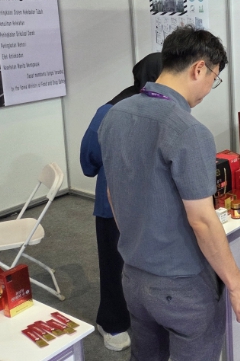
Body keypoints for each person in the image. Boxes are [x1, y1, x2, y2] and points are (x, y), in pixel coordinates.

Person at [99, 27, 240, 361]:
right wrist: (237, 284)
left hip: (133, 275)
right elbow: (201, 220)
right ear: (199, 69)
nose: (209, 89)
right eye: (214, 78)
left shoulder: (115, 115)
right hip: (182, 285)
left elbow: (114, 195)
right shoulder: (188, 130)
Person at [80, 53, 163, 352]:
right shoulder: (111, 111)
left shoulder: (169, 109)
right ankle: (112, 321)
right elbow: (89, 159)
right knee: (116, 264)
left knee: (148, 265)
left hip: (155, 203)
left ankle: (146, 315)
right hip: (116, 205)